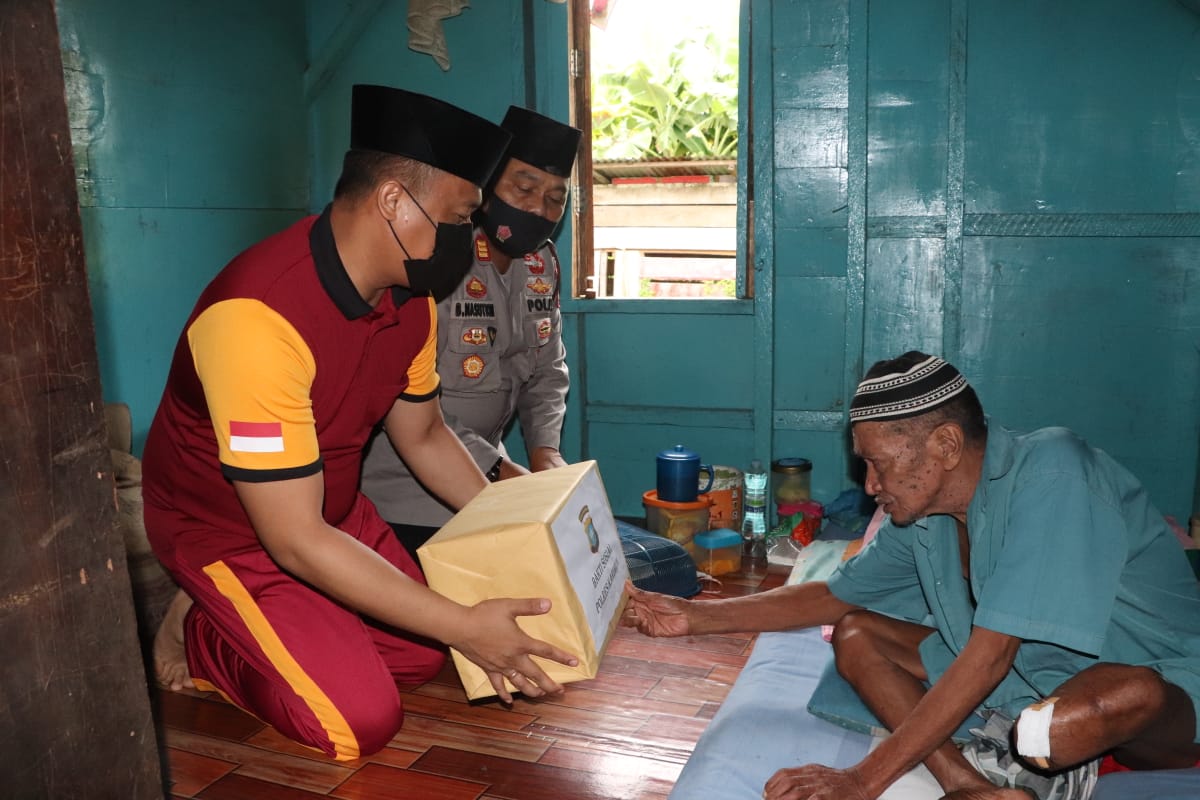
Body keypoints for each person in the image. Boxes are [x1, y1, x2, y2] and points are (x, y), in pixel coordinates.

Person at [144, 84, 579, 761]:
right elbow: (291, 537)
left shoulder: (410, 298)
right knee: (358, 725)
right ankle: (203, 632)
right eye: (462, 217)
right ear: (393, 203)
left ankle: (265, 623)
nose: (471, 235)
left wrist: (516, 527)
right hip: (232, 530)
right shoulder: (257, 317)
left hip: (332, 510)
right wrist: (466, 624)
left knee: (414, 659)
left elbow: (426, 435)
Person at [622, 351, 1200, 800]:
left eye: (879, 464)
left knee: (1071, 723)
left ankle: (1058, 775)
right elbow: (831, 596)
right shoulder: (927, 514)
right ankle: (966, 783)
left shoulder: (1054, 474)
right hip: (1025, 687)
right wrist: (695, 617)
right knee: (856, 632)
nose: (870, 484)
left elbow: (992, 652)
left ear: (945, 445)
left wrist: (862, 780)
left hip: (1156, 691)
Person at [361, 105, 581, 557]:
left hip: (491, 484)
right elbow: (412, 405)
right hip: (404, 502)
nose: (539, 209)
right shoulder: (438, 260)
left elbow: (547, 371)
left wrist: (544, 453)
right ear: (485, 186)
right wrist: (500, 471)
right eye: (524, 188)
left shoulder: (542, 262)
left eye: (556, 198)